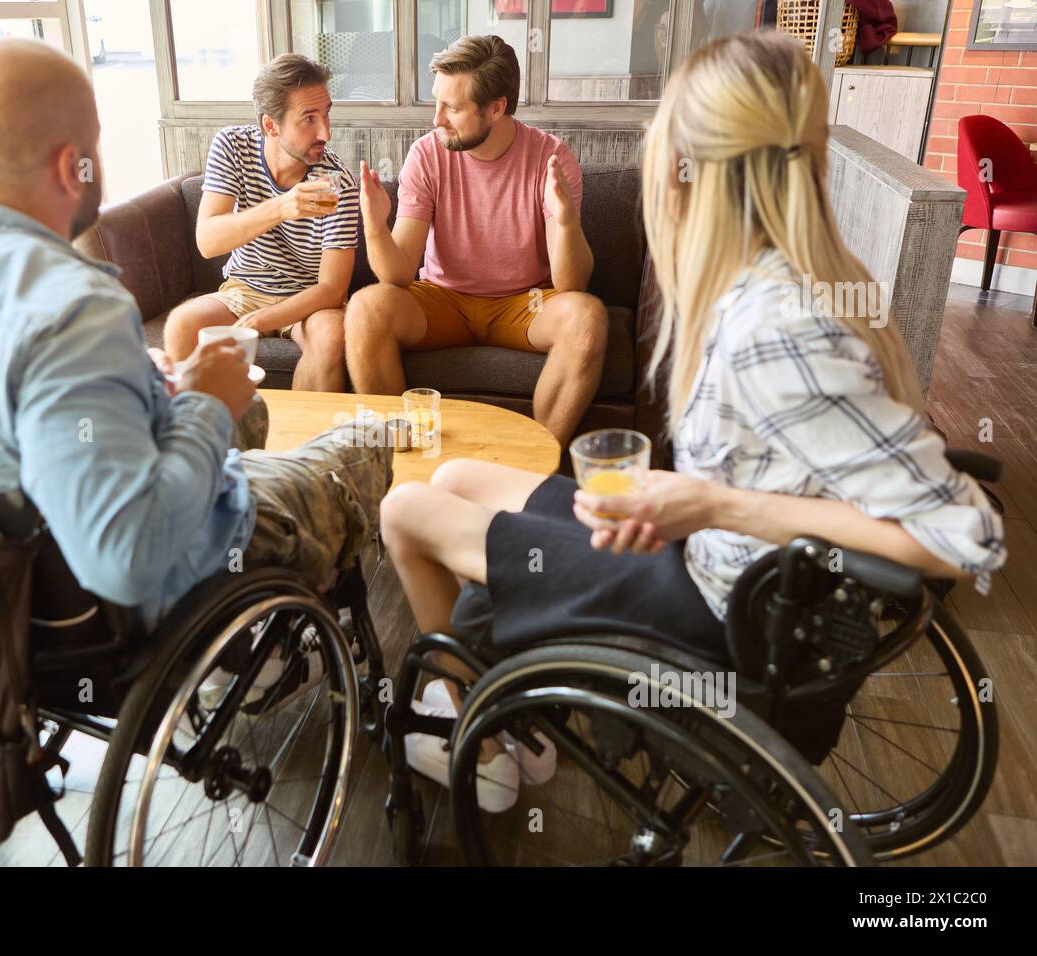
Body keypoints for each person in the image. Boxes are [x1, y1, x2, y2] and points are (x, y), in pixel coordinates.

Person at [378, 30, 1006, 811]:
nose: (649, 151)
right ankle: (515, 713)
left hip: (710, 609)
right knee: (455, 473)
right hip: (702, 553)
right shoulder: (775, 280)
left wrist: (710, 503)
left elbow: (964, 533)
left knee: (405, 508)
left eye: (663, 135)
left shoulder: (777, 324)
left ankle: (484, 732)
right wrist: (692, 498)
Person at [0, 38, 391, 644]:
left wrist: (138, 383)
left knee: (249, 410)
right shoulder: (75, 308)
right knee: (363, 445)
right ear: (71, 162)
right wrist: (201, 405)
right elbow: (127, 557)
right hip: (115, 601)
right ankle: (261, 636)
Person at [347, 34, 606, 447]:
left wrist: (568, 222)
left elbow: (570, 285)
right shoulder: (427, 154)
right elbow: (396, 276)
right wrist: (375, 225)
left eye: (452, 107)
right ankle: (396, 463)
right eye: (437, 102)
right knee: (365, 307)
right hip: (443, 300)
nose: (437, 120)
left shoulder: (550, 159)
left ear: (496, 107)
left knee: (588, 317)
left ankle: (537, 464)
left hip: (524, 303)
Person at [156, 54, 358, 393]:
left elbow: (332, 289)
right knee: (182, 324)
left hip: (307, 299)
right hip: (243, 289)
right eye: (308, 118)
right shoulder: (233, 146)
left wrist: (263, 319)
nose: (325, 131)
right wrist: (282, 207)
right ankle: (202, 438)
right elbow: (208, 240)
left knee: (332, 336)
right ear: (270, 125)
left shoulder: (337, 182)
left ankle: (302, 443)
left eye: (326, 114)